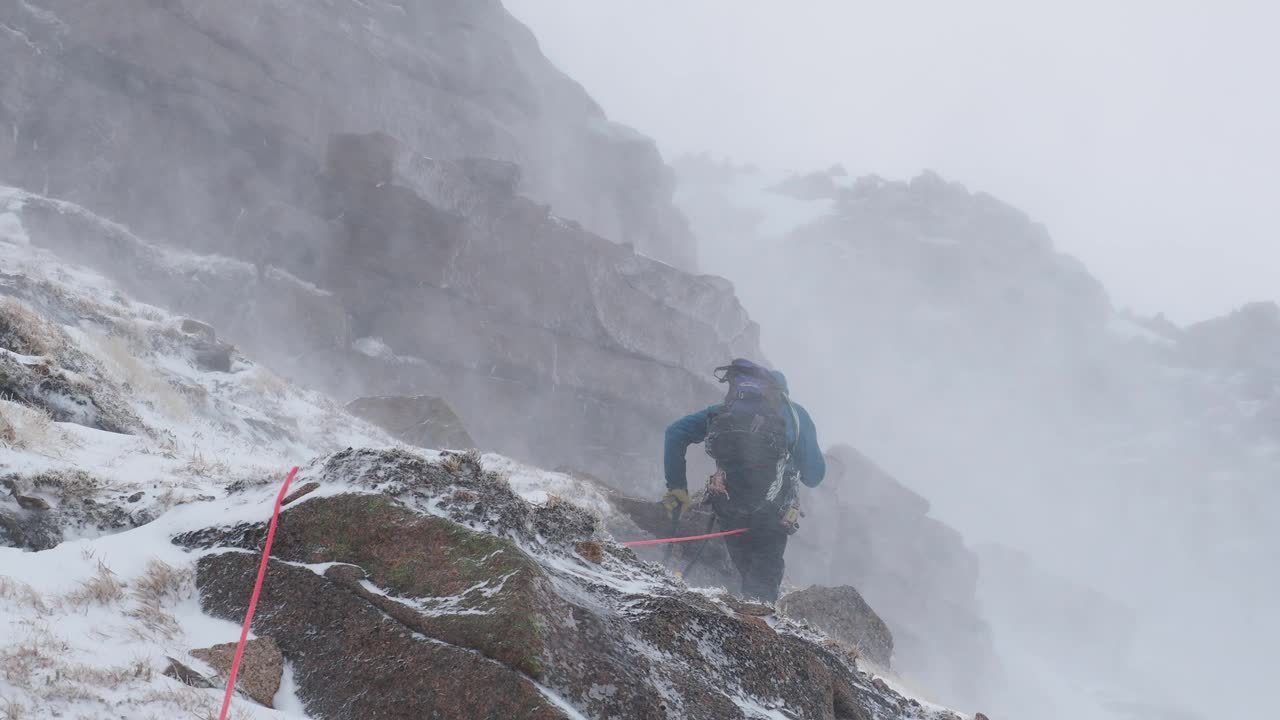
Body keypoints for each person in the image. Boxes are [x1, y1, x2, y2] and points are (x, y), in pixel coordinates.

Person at [662, 359, 825, 602]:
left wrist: (677, 488)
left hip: (729, 507)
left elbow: (675, 432)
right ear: (781, 392)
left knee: (746, 571)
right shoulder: (796, 416)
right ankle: (758, 620)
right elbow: (814, 476)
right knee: (762, 588)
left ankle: (745, 613)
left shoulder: (725, 410)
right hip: (773, 516)